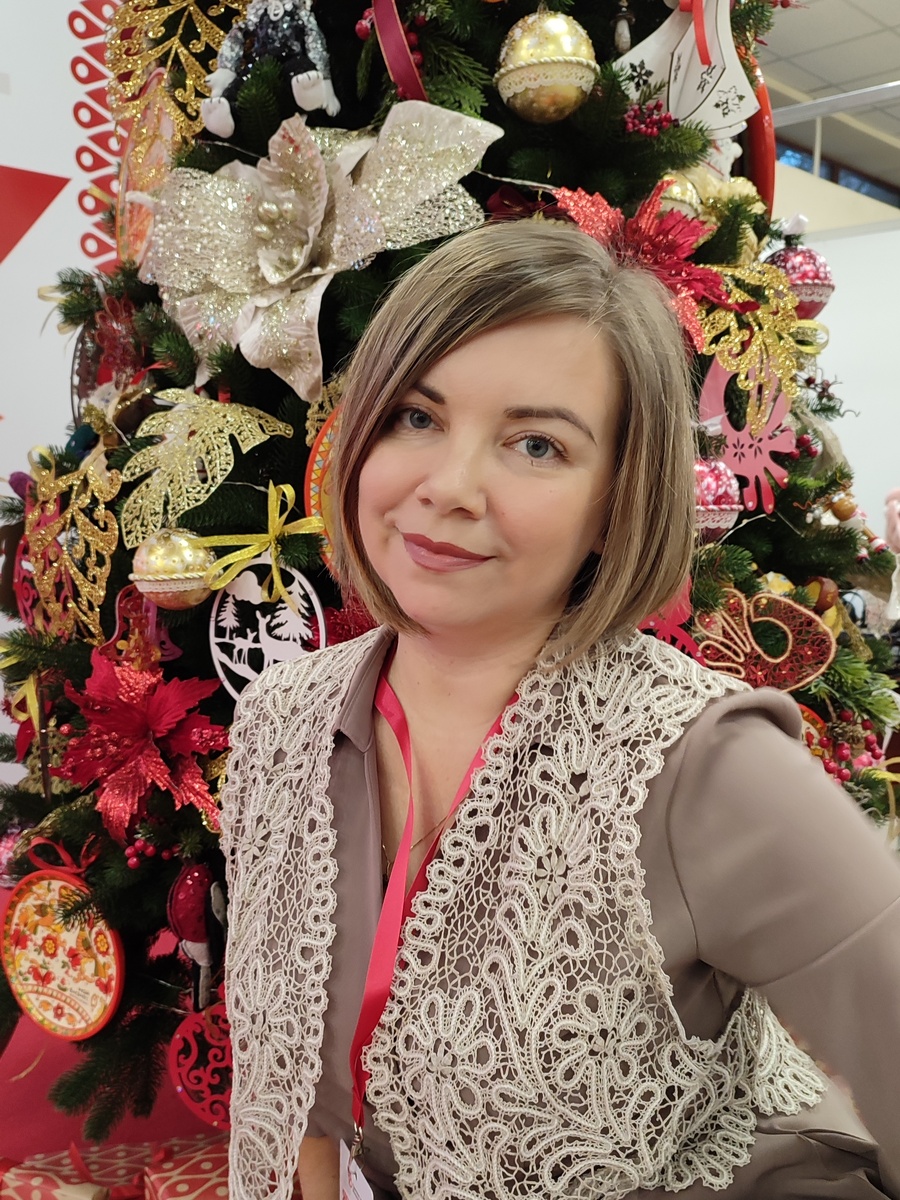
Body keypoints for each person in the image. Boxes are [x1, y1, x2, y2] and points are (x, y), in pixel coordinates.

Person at [221, 220, 900, 1200]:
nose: (450, 488)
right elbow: (298, 1096)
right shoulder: (280, 721)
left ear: (616, 501)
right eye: (415, 416)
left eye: (536, 444)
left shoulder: (701, 763)